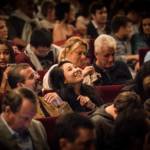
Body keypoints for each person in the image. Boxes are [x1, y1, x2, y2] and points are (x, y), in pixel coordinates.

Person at [7, 63, 72, 118]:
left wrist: (61, 104)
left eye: (36, 73)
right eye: (32, 77)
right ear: (20, 86)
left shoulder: (49, 100)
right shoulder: (18, 111)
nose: (38, 77)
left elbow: (71, 122)